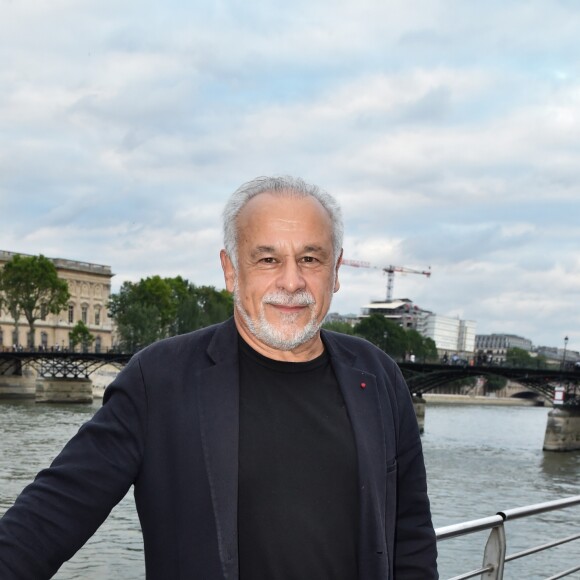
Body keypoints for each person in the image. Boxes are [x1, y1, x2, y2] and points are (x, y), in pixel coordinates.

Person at [0, 176, 438, 579]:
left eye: (310, 258)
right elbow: (50, 516)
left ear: (336, 271)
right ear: (231, 270)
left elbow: (411, 534)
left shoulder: (378, 376)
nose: (291, 281)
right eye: (268, 259)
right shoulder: (160, 379)